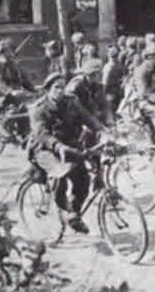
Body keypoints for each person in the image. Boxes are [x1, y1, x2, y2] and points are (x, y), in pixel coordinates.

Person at [28, 71, 107, 234]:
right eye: (56, 87)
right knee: (61, 175)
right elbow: (42, 134)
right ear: (48, 89)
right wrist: (57, 146)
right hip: (44, 149)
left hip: (68, 146)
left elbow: (88, 118)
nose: (60, 91)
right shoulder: (39, 108)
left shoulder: (71, 102)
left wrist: (102, 131)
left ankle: (74, 214)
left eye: (62, 87)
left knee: (83, 179)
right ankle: (63, 209)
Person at [102, 44, 126, 123]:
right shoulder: (120, 65)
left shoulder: (108, 67)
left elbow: (105, 83)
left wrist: (102, 95)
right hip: (119, 92)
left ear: (109, 55)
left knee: (111, 117)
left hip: (110, 94)